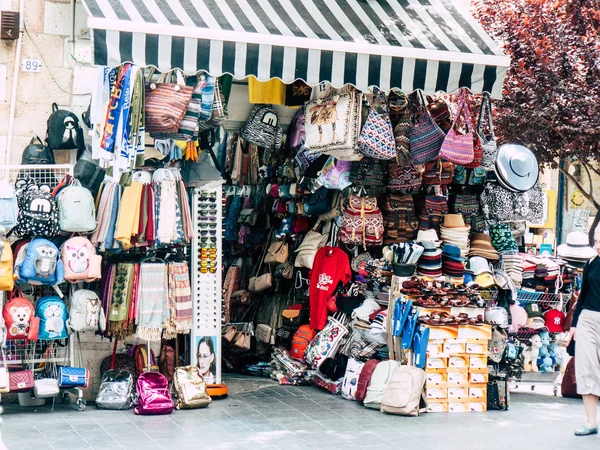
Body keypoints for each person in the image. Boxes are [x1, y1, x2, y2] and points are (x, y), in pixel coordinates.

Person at [566, 233, 600, 436]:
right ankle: (590, 421)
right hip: (588, 319)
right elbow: (584, 293)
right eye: (596, 241)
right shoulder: (592, 262)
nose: (597, 246)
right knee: (587, 368)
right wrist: (574, 324)